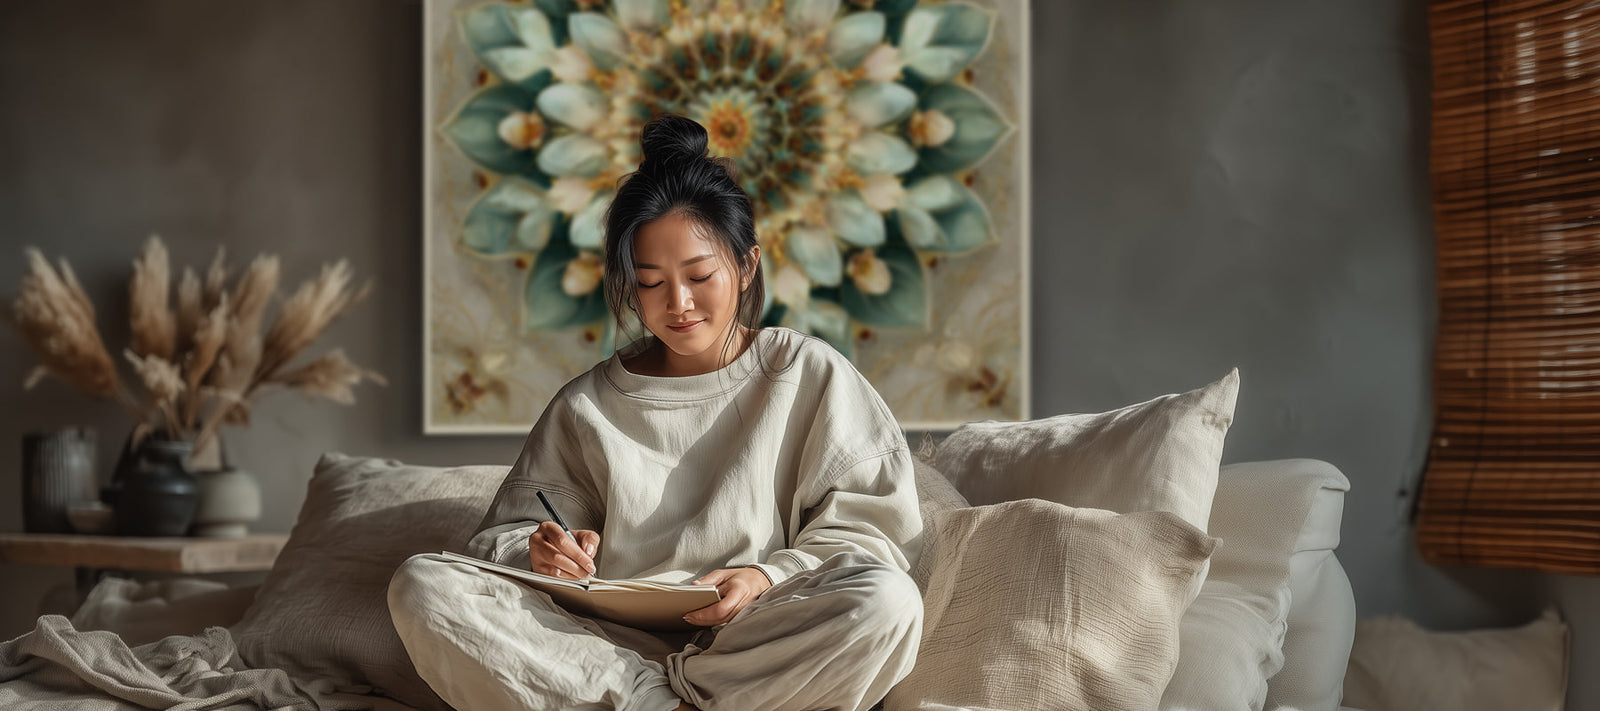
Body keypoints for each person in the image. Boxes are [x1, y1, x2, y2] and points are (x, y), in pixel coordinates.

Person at [387, 114, 925, 711]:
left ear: (745, 267)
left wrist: (765, 577)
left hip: (755, 641)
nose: (679, 304)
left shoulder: (806, 372)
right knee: (423, 585)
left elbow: (874, 531)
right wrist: (541, 551)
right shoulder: (585, 405)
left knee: (888, 601)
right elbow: (504, 542)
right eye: (650, 283)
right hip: (603, 654)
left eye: (700, 276)